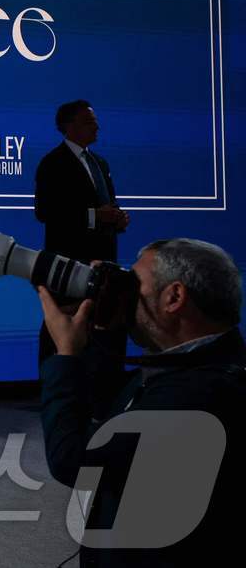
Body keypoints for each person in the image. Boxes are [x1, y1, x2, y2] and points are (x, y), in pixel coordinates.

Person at [39, 238, 246, 566]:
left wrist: (65, 355)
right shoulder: (189, 361)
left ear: (174, 297)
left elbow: (73, 459)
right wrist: (104, 325)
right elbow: (111, 408)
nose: (125, 293)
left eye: (133, 283)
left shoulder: (204, 392)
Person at [35, 100, 131, 371]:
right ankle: (55, 381)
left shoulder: (99, 162)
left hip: (103, 260)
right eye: (89, 121)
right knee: (62, 324)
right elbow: (46, 211)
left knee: (103, 324)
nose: (97, 126)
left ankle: (102, 388)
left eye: (95, 120)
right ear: (69, 126)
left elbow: (106, 204)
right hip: (69, 261)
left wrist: (117, 219)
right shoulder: (52, 163)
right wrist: (94, 216)